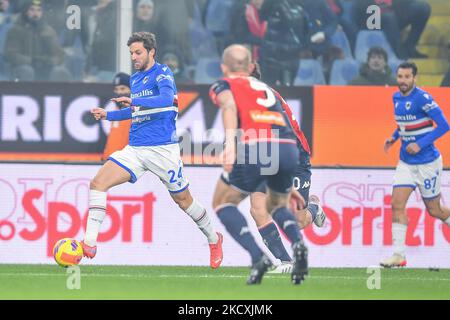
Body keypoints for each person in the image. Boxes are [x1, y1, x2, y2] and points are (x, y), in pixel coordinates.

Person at [82, 32, 224, 269]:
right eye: (131, 53)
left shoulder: (163, 72)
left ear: (151, 52)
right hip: (136, 149)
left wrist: (136, 102)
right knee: (98, 183)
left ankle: (213, 238)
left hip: (162, 150)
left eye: (138, 52)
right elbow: (136, 111)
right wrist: (109, 115)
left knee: (183, 200)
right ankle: (89, 242)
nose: (134, 57)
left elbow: (166, 100)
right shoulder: (136, 80)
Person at [211, 61, 327, 274]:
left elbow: (278, 133)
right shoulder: (242, 99)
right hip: (264, 157)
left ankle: (314, 208)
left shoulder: (267, 97)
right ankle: (285, 261)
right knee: (257, 208)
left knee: (298, 220)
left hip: (293, 158)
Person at [380, 62, 450, 267]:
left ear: (414, 78)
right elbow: (403, 124)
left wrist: (420, 144)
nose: (402, 81)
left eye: (407, 77)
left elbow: (444, 125)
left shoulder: (423, 98)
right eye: (400, 76)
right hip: (406, 163)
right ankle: (399, 255)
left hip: (428, 163)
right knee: (396, 204)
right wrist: (393, 138)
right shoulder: (395, 97)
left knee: (435, 210)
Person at [4, 0, 71, 81]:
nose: (35, 13)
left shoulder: (49, 31)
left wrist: (50, 62)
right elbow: (11, 54)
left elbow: (60, 55)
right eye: (32, 9)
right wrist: (31, 61)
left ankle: (60, 93)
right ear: (26, 12)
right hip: (22, 67)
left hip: (45, 68)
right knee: (27, 70)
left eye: (39, 10)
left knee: (60, 72)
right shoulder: (16, 30)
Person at [101, 72, 132, 161]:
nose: (119, 92)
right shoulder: (116, 110)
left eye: (123, 89)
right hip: (110, 162)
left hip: (125, 164)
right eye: (116, 89)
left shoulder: (138, 112)